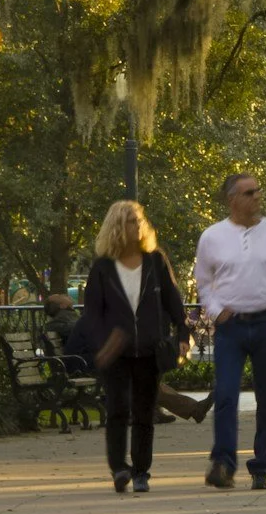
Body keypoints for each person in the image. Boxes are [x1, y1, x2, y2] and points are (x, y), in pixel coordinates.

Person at [193, 172, 266, 491]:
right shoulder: (212, 237)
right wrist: (215, 311)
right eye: (249, 193)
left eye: (258, 191)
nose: (257, 197)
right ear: (232, 200)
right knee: (225, 395)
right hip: (231, 327)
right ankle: (223, 463)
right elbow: (204, 283)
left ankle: (262, 467)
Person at [78, 200, 189, 495]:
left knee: (144, 412)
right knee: (117, 410)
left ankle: (141, 471)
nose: (137, 225)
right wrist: (102, 343)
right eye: (130, 221)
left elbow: (172, 299)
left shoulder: (155, 261)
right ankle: (119, 468)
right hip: (116, 352)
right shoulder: (103, 268)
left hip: (150, 349)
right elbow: (93, 313)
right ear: (117, 227)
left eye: (139, 220)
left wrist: (182, 332)